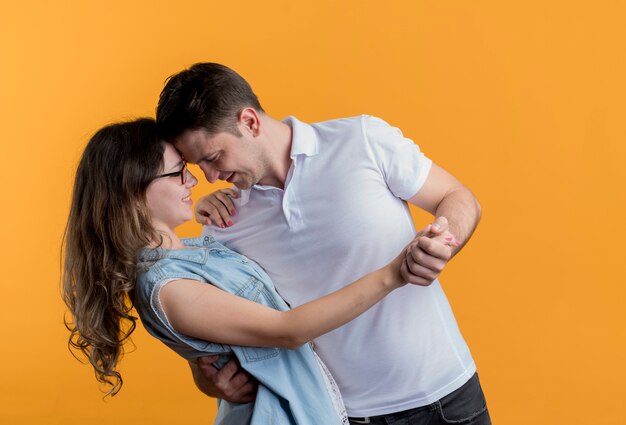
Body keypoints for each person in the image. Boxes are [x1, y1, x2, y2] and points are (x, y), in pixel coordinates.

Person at [155, 63, 491, 424]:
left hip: (449, 396)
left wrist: (444, 240)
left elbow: (458, 197)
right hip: (343, 416)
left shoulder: (361, 140)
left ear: (249, 122)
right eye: (197, 165)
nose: (209, 177)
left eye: (213, 157)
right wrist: (212, 382)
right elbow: (218, 341)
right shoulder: (222, 226)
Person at [62, 118, 446, 424]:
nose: (195, 180)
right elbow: (288, 330)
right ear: (133, 191)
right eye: (178, 173)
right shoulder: (167, 287)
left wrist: (198, 212)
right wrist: (394, 273)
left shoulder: (191, 252)